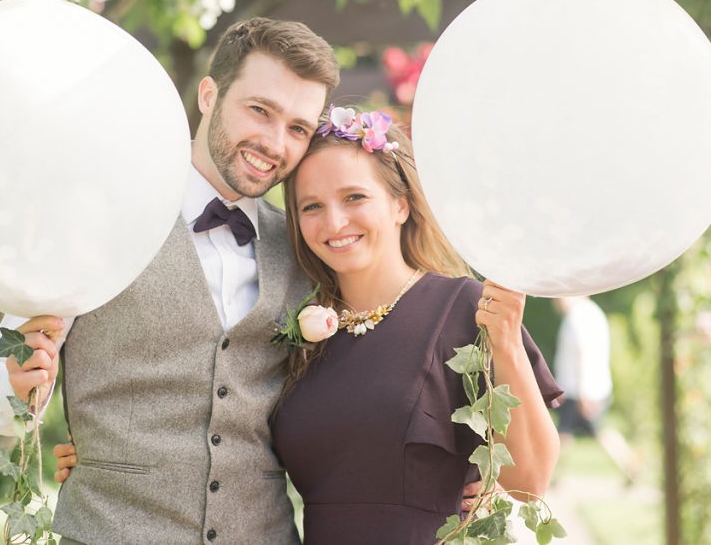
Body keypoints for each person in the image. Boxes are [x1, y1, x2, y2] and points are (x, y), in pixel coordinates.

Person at [58, 107, 564, 543]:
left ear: (401, 204)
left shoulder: (465, 307)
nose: (334, 223)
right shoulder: (300, 322)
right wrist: (105, 454)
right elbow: (226, 416)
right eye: (312, 207)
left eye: (354, 198)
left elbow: (531, 480)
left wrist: (506, 345)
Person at [0, 17, 339, 544]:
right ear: (209, 95)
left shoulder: (306, 247)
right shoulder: (97, 223)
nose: (275, 142)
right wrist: (15, 384)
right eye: (260, 110)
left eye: (298, 128)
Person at [553, 295, 636, 481]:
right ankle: (629, 461)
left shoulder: (577, 316)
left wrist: (584, 393)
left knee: (567, 435)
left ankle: (554, 477)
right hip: (588, 388)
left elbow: (582, 355)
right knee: (573, 434)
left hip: (580, 390)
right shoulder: (592, 312)